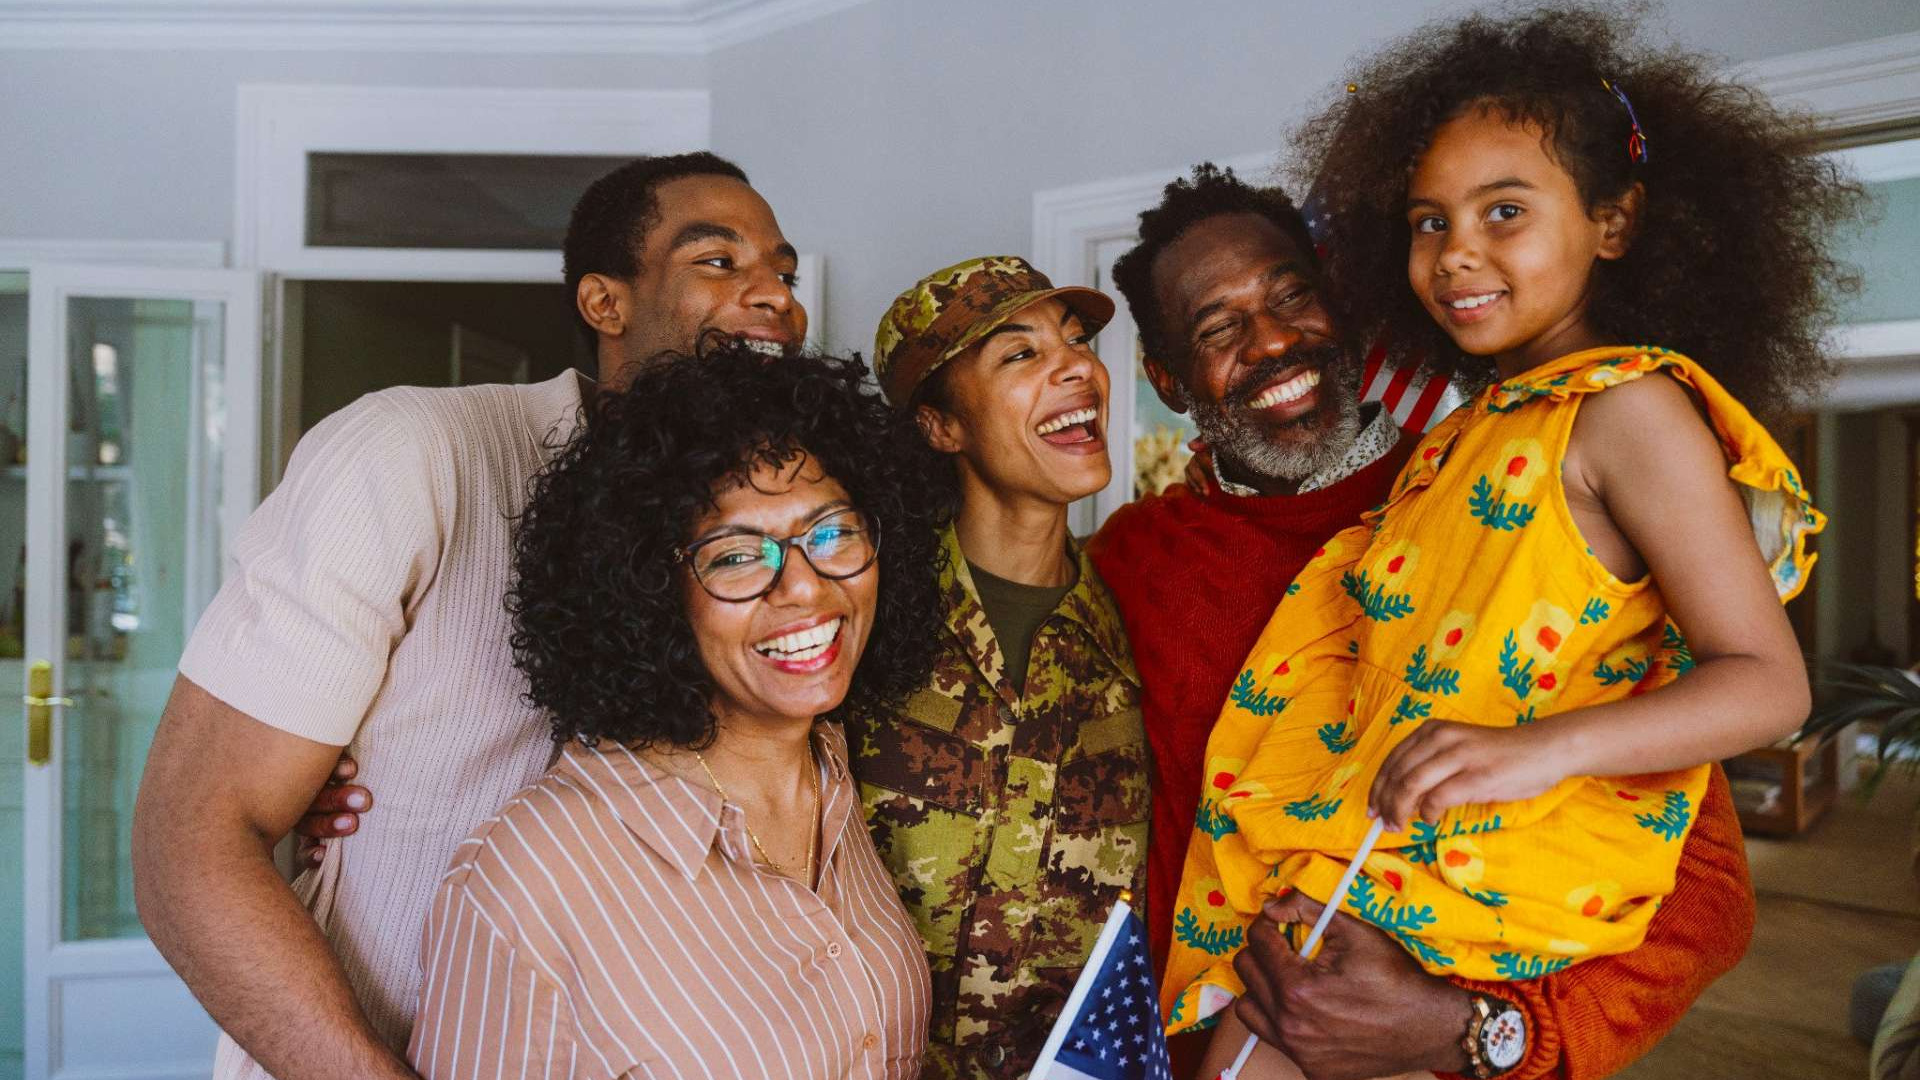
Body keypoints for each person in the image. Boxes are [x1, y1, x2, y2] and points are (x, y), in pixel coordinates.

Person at [1161, 8, 1865, 1078]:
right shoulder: (1481, 427)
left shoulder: (1626, 410)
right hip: (1381, 849)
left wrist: (1536, 750)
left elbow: (1770, 686)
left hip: (1482, 874)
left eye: (1504, 212)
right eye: (1429, 221)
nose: (1458, 255)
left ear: (1613, 223)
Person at [1088, 161, 1776, 1078]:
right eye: (1219, 329)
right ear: (1169, 379)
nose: (1272, 342)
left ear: (1348, 311)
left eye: (1294, 297)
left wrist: (1470, 1029)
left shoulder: (1510, 513)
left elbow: (1709, 902)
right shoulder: (1128, 562)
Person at [132, 152, 808, 1080]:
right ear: (604, 303)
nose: (773, 295)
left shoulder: (785, 535)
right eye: (719, 262)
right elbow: (192, 837)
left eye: (784, 271)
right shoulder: (415, 453)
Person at [410, 343, 942, 1079]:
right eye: (735, 556)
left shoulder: (839, 780)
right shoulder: (529, 878)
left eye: (832, 534)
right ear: (646, 594)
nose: (806, 588)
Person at [851, 256, 1149, 1079]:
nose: (1077, 365)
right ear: (940, 427)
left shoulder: (1136, 629)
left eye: (1077, 340)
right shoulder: (857, 619)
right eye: (1019, 353)